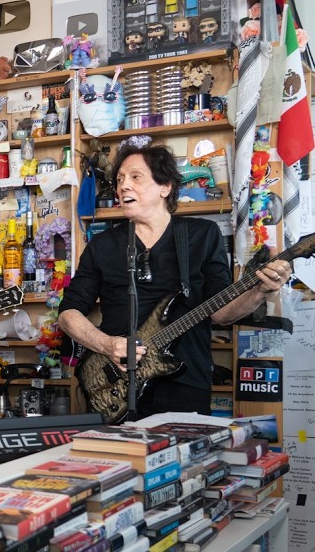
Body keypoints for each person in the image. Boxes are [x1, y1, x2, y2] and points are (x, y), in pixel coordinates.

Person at [59, 141, 291, 416]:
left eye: (135, 177)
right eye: (120, 179)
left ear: (165, 186)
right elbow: (68, 313)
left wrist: (259, 292)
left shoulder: (201, 235)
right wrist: (106, 345)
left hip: (186, 381)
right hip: (115, 380)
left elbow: (220, 315)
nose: (123, 186)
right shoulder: (102, 245)